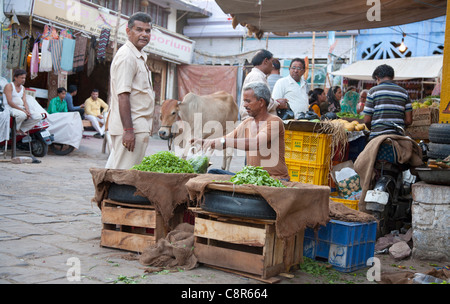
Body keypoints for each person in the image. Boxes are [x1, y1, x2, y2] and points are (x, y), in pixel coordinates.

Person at [196, 82, 290, 180]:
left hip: (275, 179)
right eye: (244, 101)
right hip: (253, 178)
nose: (244, 105)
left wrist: (224, 142)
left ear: (261, 102)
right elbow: (227, 138)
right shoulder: (247, 122)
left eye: (248, 101)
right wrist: (208, 142)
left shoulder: (274, 121)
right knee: (213, 173)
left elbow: (255, 143)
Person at [105, 12, 155, 170]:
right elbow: (123, 96)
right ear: (128, 31)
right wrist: (128, 131)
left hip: (138, 126)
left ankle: (102, 195)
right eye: (139, 30)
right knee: (123, 177)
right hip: (130, 128)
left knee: (116, 173)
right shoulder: (127, 57)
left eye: (147, 31)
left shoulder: (139, 56)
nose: (144, 34)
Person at [363, 64, 412, 140]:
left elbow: (367, 120)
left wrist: (374, 129)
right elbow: (409, 121)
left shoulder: (373, 92)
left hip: (377, 137)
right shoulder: (404, 92)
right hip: (398, 137)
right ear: (392, 77)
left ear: (377, 78)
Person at [239, 49, 281, 120]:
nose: (273, 66)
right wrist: (278, 104)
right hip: (256, 121)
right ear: (266, 61)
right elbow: (261, 102)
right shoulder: (257, 76)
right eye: (272, 62)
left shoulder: (258, 76)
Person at [2, 69, 43, 134]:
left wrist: (27, 111)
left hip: (21, 108)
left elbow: (24, 101)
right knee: (22, 115)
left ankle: (21, 129)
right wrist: (23, 111)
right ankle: (15, 130)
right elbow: (9, 102)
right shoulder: (9, 86)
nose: (24, 80)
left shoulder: (23, 88)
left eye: (24, 78)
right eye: (22, 78)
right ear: (15, 77)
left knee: (38, 116)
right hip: (10, 108)